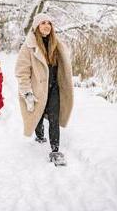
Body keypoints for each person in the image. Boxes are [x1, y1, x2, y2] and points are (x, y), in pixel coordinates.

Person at [15, 13, 73, 165]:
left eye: (49, 23)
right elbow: (22, 72)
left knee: (54, 117)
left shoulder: (57, 44)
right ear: (36, 26)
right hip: (38, 89)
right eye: (43, 23)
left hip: (54, 87)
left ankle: (55, 151)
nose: (46, 26)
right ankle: (39, 135)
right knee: (38, 115)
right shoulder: (28, 46)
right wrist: (27, 92)